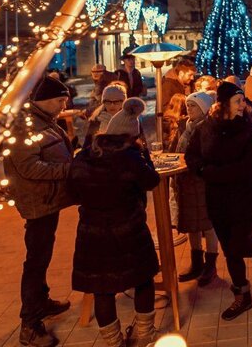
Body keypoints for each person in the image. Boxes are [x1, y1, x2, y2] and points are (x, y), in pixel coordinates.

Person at [67, 98, 161, 347]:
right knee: (142, 278)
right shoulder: (130, 157)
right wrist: (144, 155)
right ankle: (145, 335)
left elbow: (73, 192)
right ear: (132, 135)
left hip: (92, 232)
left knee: (102, 288)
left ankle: (114, 342)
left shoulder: (84, 156)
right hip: (128, 228)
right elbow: (151, 181)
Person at [186, 82, 252, 321]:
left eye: (243, 101)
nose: (243, 105)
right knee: (230, 251)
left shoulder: (247, 131)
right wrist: (201, 169)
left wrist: (212, 173)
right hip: (217, 200)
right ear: (223, 104)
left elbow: (247, 166)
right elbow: (191, 155)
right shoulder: (205, 128)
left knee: (237, 246)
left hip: (243, 198)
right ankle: (243, 294)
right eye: (238, 101)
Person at [3, 76, 74, 347]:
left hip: (47, 200)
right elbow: (29, 167)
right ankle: (30, 324)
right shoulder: (25, 126)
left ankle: (42, 301)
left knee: (42, 255)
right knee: (36, 260)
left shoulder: (44, 120)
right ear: (44, 100)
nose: (63, 105)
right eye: (60, 100)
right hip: (37, 202)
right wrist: (68, 170)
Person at [172, 91, 219, 286]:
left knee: (208, 223)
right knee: (192, 222)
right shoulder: (184, 126)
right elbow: (175, 149)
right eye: (188, 105)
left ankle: (211, 264)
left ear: (204, 108)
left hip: (201, 180)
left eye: (193, 105)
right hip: (186, 180)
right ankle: (196, 262)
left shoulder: (208, 127)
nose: (189, 108)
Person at [82, 83, 127, 150]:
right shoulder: (97, 120)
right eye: (108, 102)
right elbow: (87, 147)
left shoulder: (130, 120)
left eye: (116, 102)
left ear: (123, 102)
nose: (112, 105)